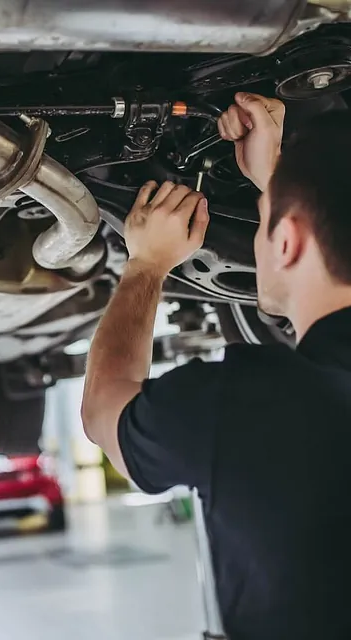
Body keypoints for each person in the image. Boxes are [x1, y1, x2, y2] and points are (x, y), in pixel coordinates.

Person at [81, 92, 351, 640]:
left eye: (261, 223)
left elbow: (104, 405)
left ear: (287, 240)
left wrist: (147, 264)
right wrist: (280, 177)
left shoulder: (251, 404)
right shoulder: (252, 401)